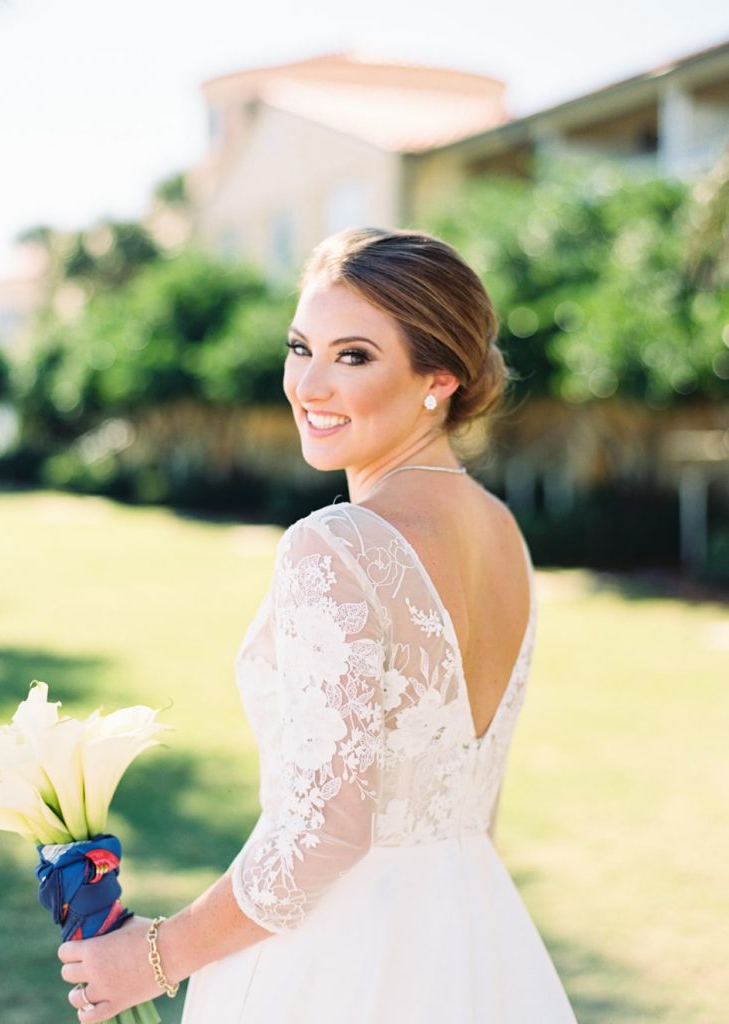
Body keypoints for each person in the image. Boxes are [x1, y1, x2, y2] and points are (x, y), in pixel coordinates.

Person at [58, 227, 578, 1022]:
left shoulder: (334, 544)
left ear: (437, 378)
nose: (309, 384)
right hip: (471, 935)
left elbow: (326, 833)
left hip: (339, 961)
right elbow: (479, 794)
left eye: (354, 356)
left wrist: (150, 958)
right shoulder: (500, 530)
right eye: (302, 347)